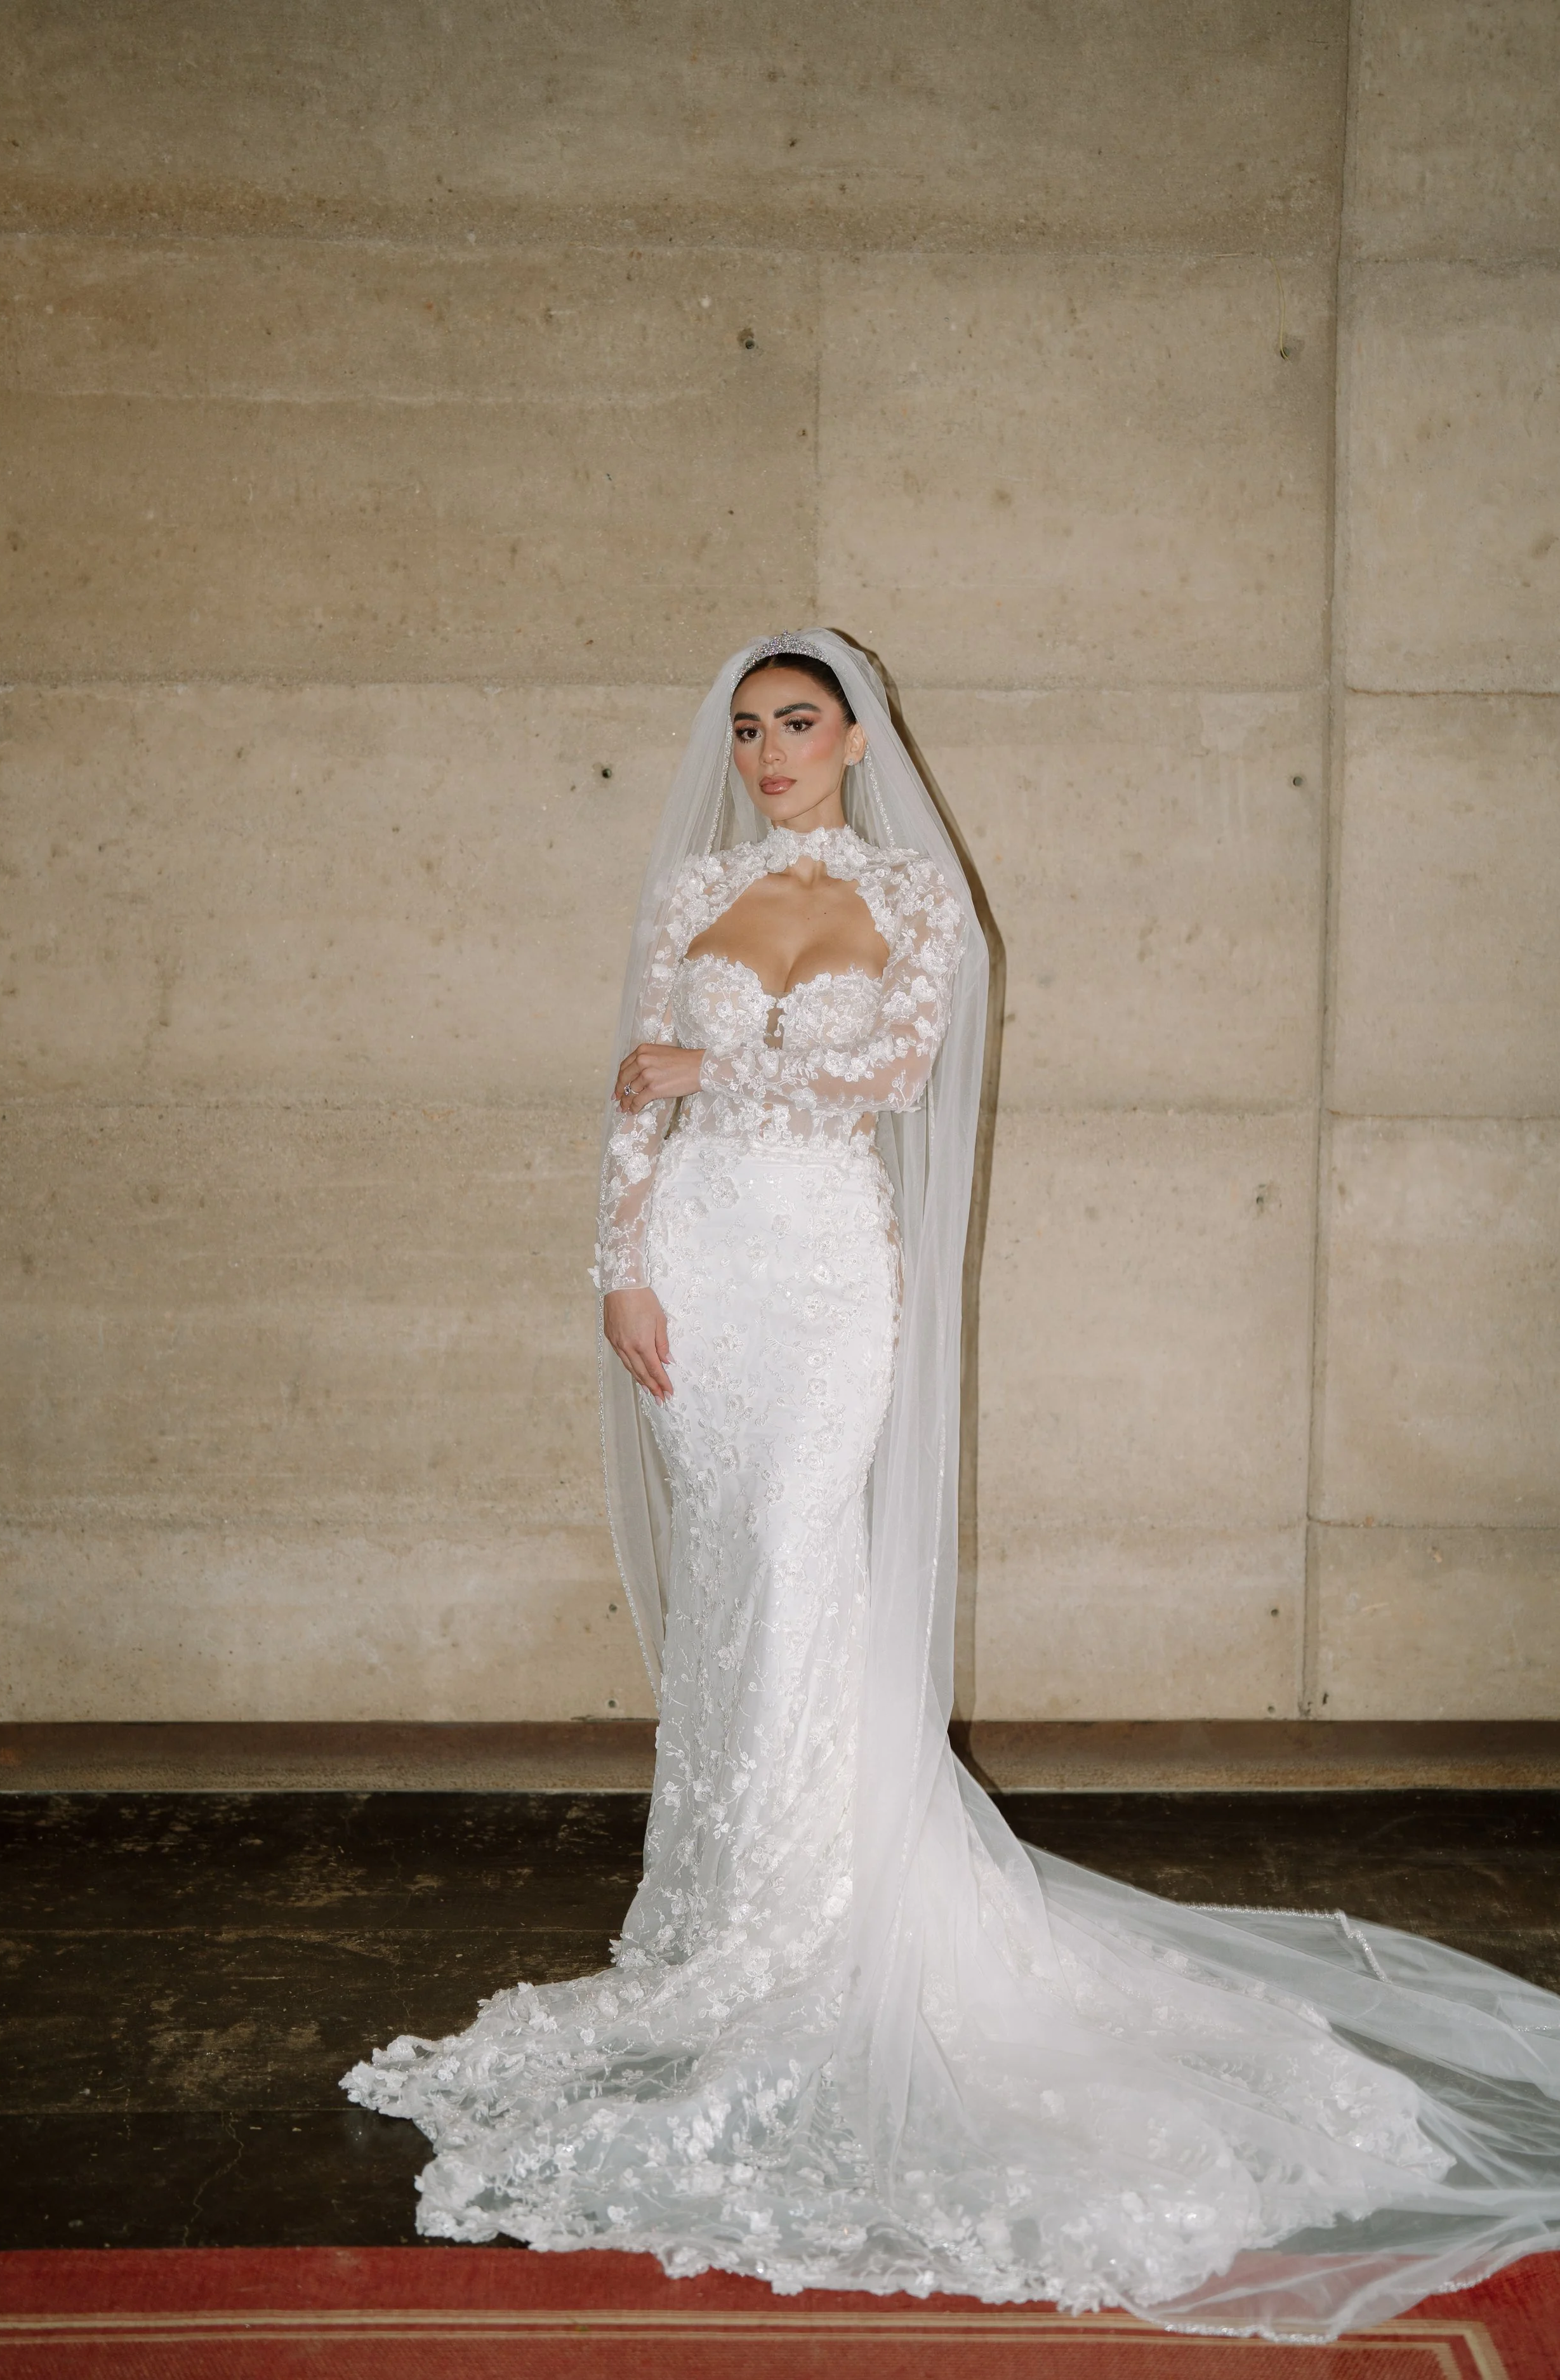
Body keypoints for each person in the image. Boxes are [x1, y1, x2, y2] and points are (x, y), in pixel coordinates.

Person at [344, 629, 1560, 2340]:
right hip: (695, 1259)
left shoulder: (915, 900)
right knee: (740, 1573)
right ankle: (728, 1907)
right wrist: (614, 1263)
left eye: (799, 723)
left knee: (799, 1553)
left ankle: (818, 1921)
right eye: (751, 727)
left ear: (856, 734)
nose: (769, 750)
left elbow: (884, 1076)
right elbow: (631, 1091)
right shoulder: (692, 885)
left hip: (828, 1273)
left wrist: (716, 1071)